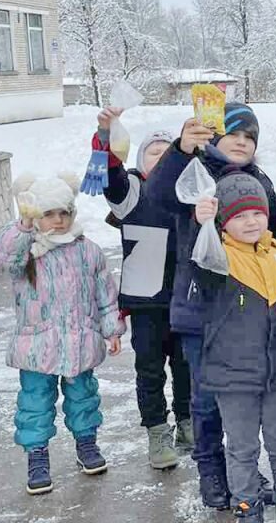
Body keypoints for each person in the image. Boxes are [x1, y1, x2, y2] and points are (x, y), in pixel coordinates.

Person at [146, 102, 276, 510]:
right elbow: (156, 195)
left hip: (250, 314)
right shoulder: (195, 173)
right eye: (234, 134)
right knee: (207, 398)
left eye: (250, 137)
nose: (242, 142)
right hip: (202, 312)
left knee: (246, 400)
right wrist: (180, 149)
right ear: (215, 136)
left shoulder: (258, 180)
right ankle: (212, 473)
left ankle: (242, 474)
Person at [192, 174, 276, 523]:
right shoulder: (217, 258)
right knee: (242, 448)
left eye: (257, 214)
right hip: (233, 379)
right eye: (239, 216)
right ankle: (248, 509)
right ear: (224, 221)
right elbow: (195, 260)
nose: (250, 222)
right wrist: (200, 223)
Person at [0, 175, 125, 495]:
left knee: (84, 396)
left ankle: (87, 444)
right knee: (35, 402)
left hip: (80, 341)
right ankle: (36, 454)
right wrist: (24, 225)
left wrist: (111, 329)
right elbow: (4, 258)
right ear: (36, 217)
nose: (58, 220)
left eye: (64, 213)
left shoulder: (88, 250)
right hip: (37, 345)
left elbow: (105, 293)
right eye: (49, 213)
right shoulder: (27, 251)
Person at [91, 111, 192, 471]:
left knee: (187, 367)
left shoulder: (189, 192)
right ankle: (157, 432)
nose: (162, 157)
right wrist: (106, 134)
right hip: (146, 302)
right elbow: (109, 173)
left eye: (169, 152)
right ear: (140, 160)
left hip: (184, 298)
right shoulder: (131, 193)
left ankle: (187, 423)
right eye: (153, 153)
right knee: (150, 371)